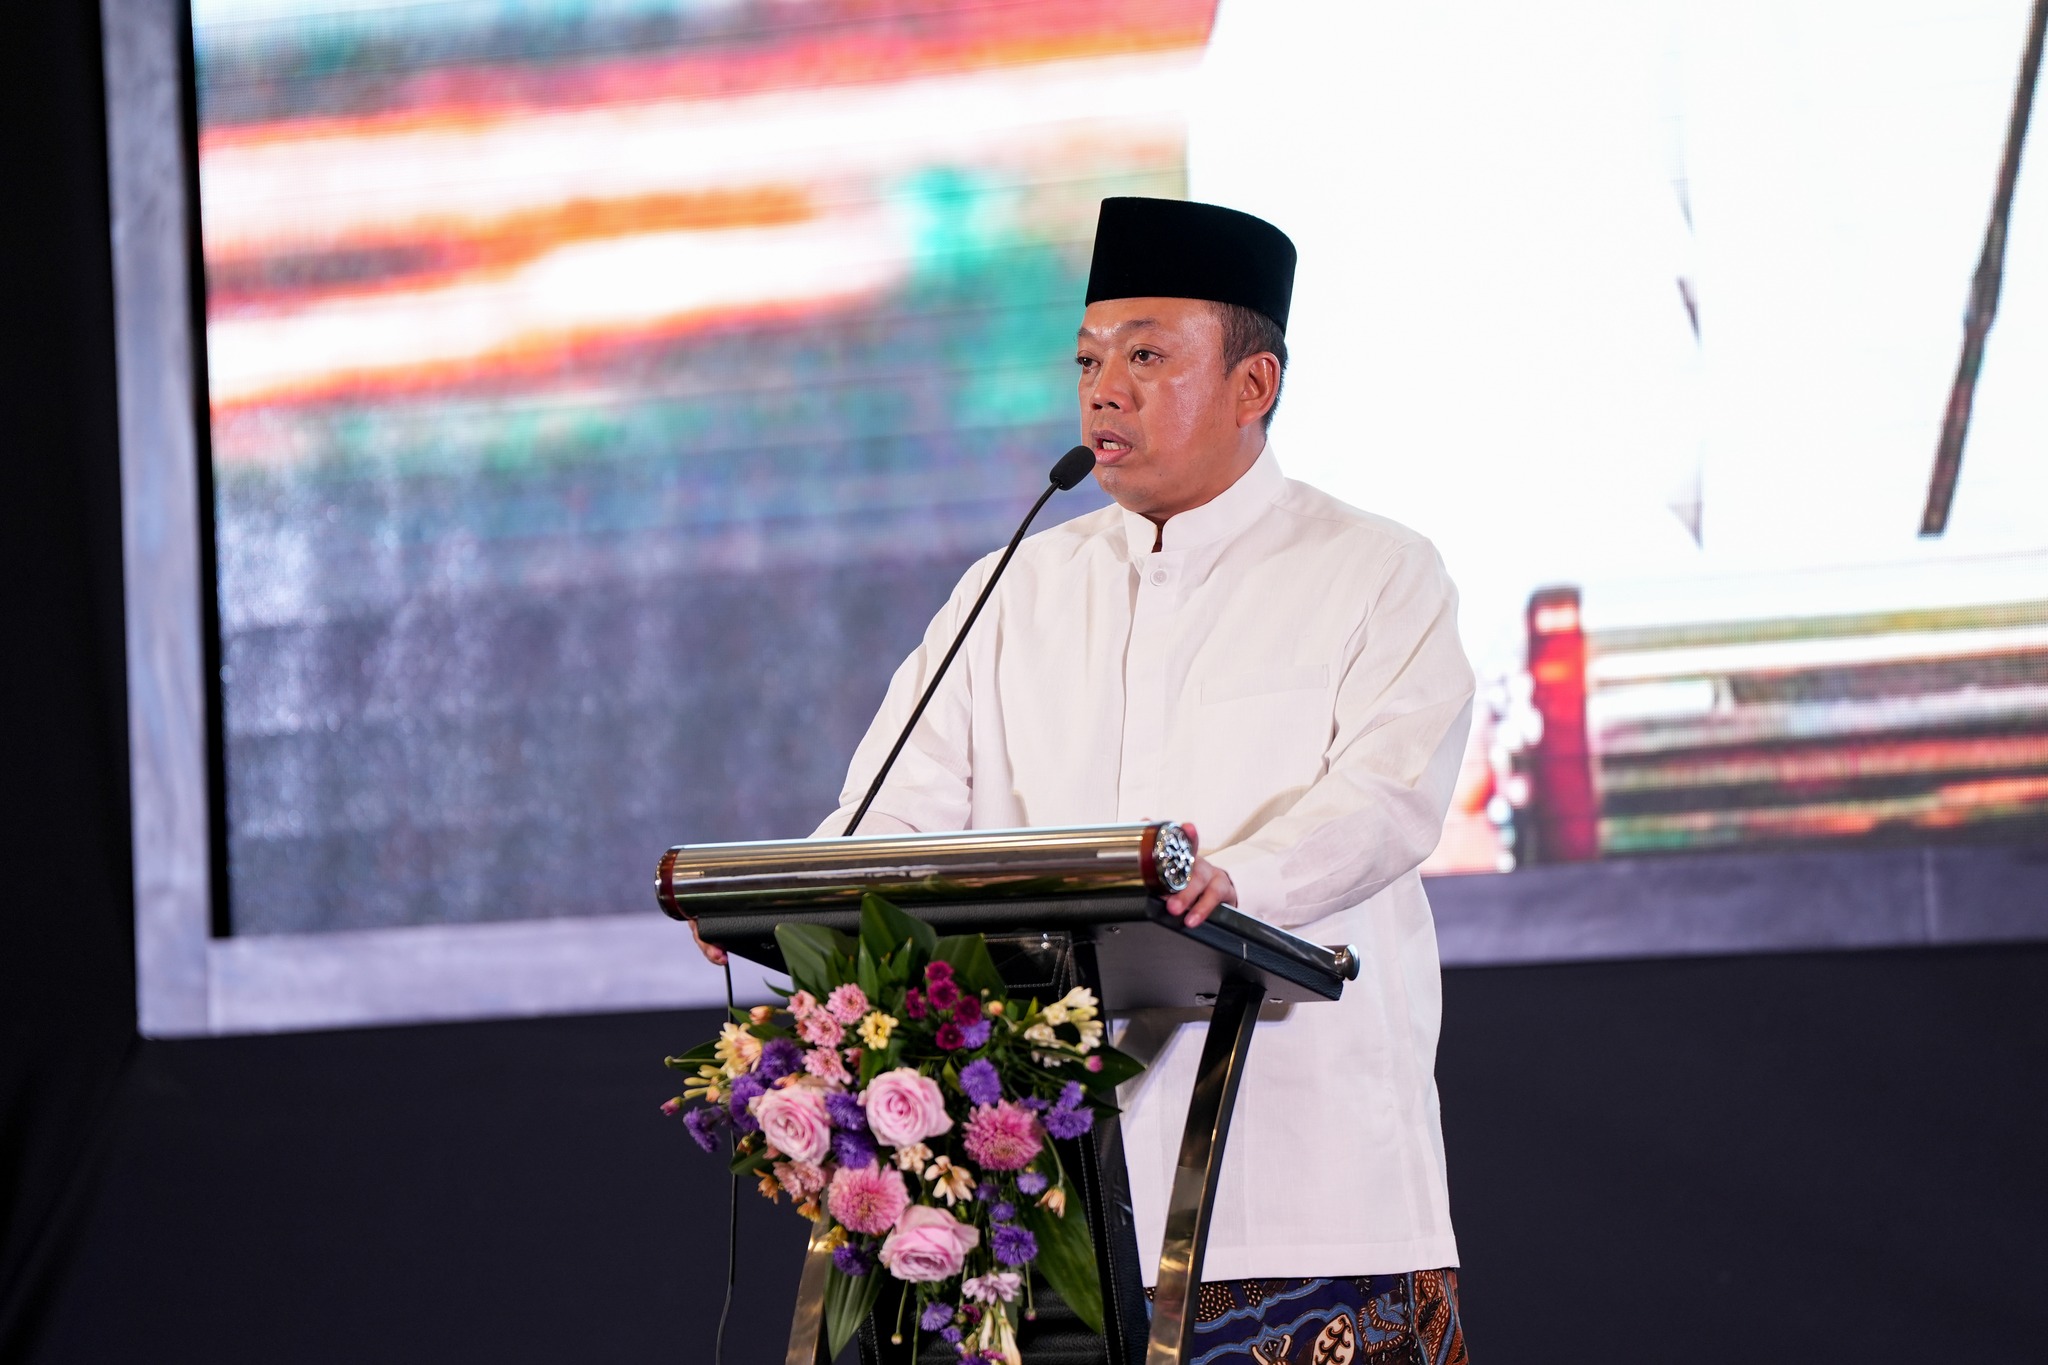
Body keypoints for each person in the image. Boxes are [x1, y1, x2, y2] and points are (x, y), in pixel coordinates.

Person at [698, 196, 1475, 1363]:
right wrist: (788, 907)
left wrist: (1238, 879)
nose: (1103, 392)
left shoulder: (1374, 571)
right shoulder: (1010, 589)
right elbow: (892, 811)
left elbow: (1385, 799)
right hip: (1040, 1201)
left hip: (1299, 1183)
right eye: (1086, 361)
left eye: (1145, 358)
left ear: (1253, 385)